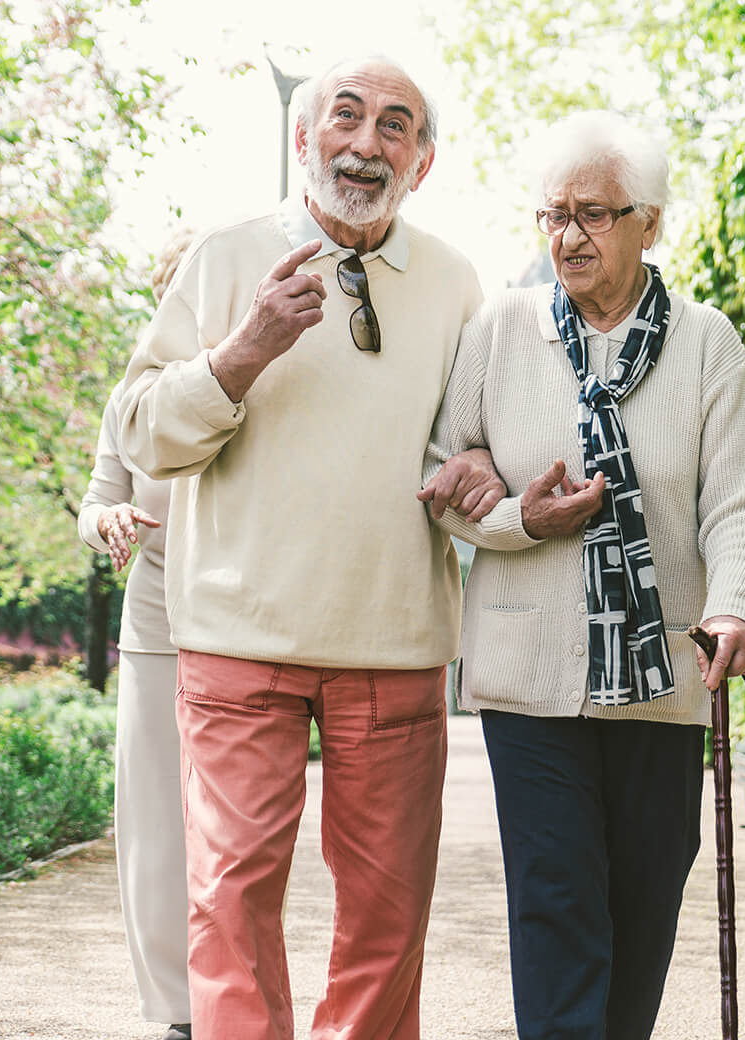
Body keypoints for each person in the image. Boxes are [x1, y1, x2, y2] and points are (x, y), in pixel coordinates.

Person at [113, 56, 499, 1040]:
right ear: (302, 139)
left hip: (395, 640)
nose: (366, 143)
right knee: (231, 901)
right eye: (346, 117)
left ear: (424, 158)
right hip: (237, 635)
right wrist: (242, 351)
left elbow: (469, 448)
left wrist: (488, 473)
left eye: (394, 125)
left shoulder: (457, 283)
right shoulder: (225, 258)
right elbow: (142, 433)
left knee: (387, 915)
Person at [425, 109, 745, 1040]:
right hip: (528, 674)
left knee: (645, 900)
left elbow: (737, 503)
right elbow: (444, 470)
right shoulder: (501, 330)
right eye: (552, 215)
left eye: (591, 213)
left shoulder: (706, 342)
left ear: (648, 222)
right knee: (557, 897)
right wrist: (517, 518)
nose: (566, 236)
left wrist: (738, 608)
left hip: (664, 673)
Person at [73, 226, 199, 1040]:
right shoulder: (131, 394)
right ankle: (176, 1015)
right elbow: (93, 504)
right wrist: (108, 519)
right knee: (155, 827)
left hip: (252, 624)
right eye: (176, 286)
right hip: (156, 619)